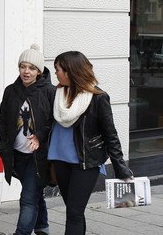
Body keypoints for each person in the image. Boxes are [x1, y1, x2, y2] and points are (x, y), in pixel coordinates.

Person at [49, 51, 134, 235]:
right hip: (60, 161)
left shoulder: (98, 98)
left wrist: (121, 168)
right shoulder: (56, 94)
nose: (55, 73)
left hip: (86, 163)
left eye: (58, 69)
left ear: (70, 71)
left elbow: (111, 135)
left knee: (74, 212)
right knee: (74, 211)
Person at [0, 44, 56, 235]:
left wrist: (40, 137)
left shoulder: (49, 92)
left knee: (28, 198)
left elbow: (55, 122)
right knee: (34, 193)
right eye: (23, 66)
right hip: (17, 153)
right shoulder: (11, 91)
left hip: (38, 156)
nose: (26, 71)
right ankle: (42, 227)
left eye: (31, 68)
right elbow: (3, 120)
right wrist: (3, 143)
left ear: (39, 71)